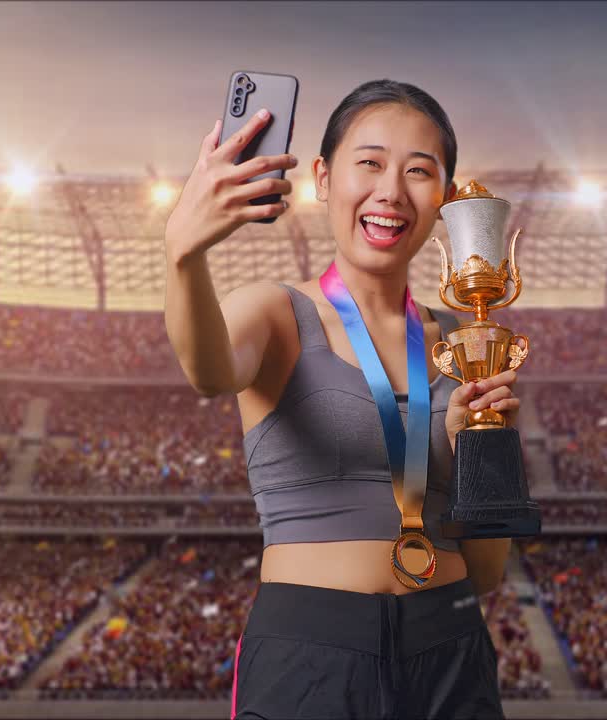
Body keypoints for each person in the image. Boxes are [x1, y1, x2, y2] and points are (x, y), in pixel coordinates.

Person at [165, 79, 517, 719]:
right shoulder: (276, 312)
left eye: (419, 172)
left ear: (442, 200)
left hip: (452, 641)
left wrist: (483, 451)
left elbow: (489, 570)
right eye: (370, 163)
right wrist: (183, 253)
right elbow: (209, 372)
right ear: (324, 177)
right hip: (312, 647)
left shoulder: (470, 340)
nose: (390, 191)